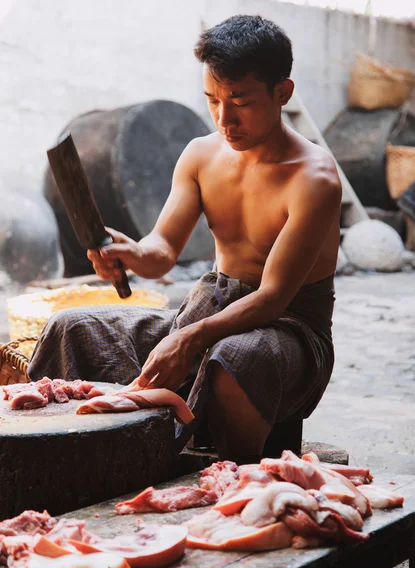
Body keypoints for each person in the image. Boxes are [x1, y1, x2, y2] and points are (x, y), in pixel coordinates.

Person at [29, 14, 341, 463]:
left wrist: (191, 338)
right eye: (212, 99)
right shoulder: (200, 154)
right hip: (208, 311)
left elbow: (273, 298)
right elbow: (161, 253)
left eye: (240, 101)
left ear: (282, 93)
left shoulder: (314, 178)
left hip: (288, 330)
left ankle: (229, 480)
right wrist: (130, 253)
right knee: (71, 328)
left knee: (235, 359)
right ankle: (73, 464)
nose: (224, 118)